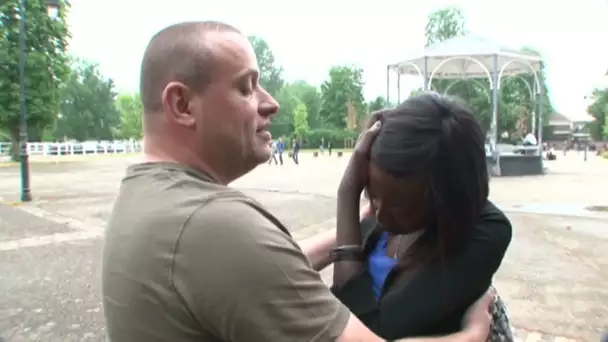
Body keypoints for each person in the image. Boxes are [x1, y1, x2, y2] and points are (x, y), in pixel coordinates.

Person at [102, 21, 494, 342]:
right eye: (246, 86)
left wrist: (362, 215)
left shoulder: (145, 195)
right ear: (182, 105)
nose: (270, 103)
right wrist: (471, 336)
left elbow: (265, 270)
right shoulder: (213, 226)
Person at [328, 94, 513, 340]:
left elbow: (374, 332)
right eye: (372, 194)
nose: (380, 216)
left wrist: (348, 195)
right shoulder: (386, 211)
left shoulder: (485, 232)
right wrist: (350, 192)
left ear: (447, 198)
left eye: (399, 206)